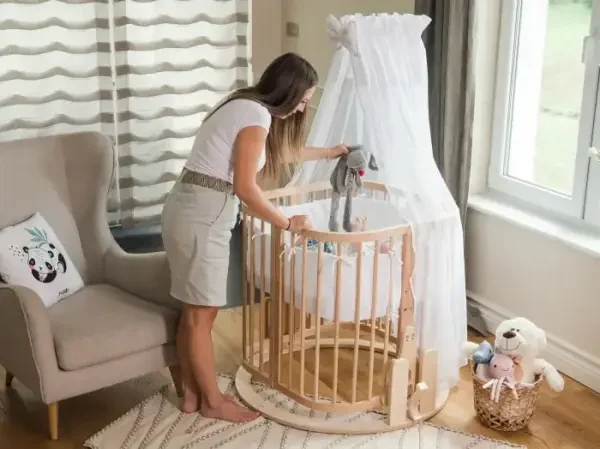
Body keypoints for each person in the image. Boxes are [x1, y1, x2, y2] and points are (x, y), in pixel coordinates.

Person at [160, 52, 349, 423]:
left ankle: (192, 395)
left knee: (192, 313)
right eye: (303, 101)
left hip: (188, 207)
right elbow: (246, 188)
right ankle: (213, 402)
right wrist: (286, 222)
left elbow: (277, 153)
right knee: (201, 316)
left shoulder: (243, 104)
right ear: (287, 91)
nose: (302, 109)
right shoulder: (256, 115)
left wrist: (329, 152)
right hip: (204, 214)